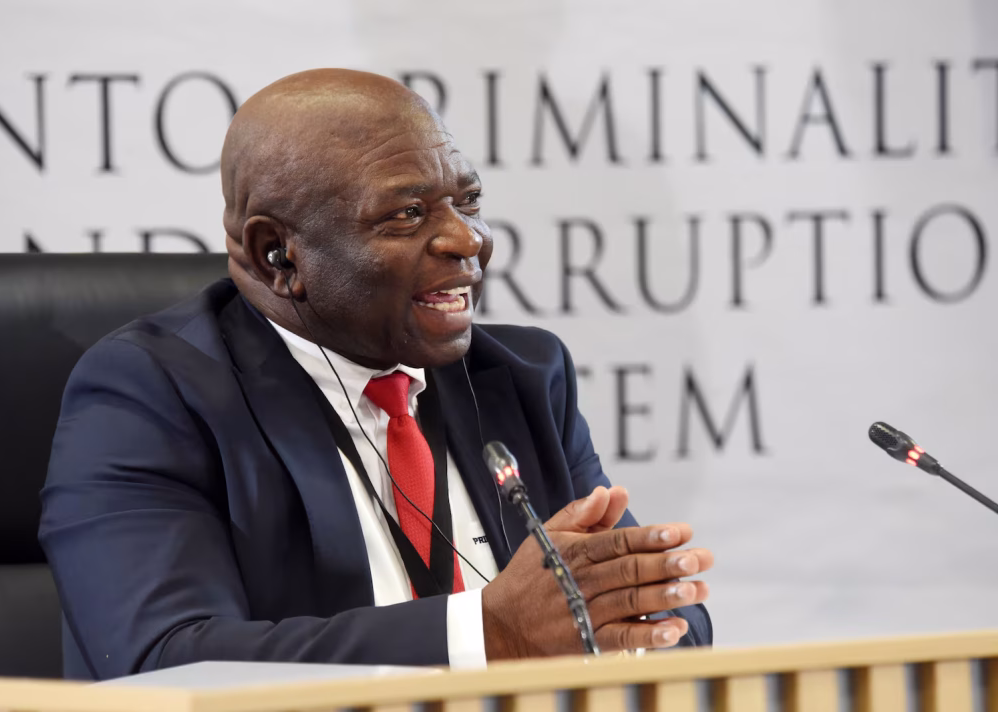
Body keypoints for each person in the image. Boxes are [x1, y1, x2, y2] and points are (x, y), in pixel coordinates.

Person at [39, 68, 713, 681]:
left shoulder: (521, 377)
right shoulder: (152, 396)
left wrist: (631, 610)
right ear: (277, 254)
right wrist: (487, 632)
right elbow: (161, 662)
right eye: (408, 214)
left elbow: (667, 625)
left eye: (469, 201)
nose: (468, 239)